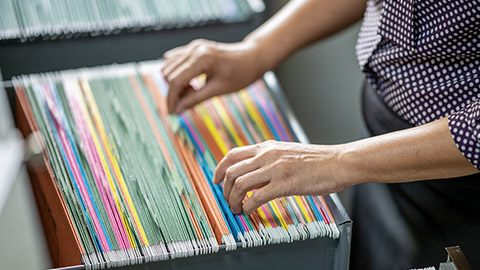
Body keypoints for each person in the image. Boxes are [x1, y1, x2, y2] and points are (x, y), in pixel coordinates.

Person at [161, 0, 480, 269]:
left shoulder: (347, 164)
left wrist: (339, 162)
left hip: (460, 192)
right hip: (381, 152)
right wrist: (255, 51)